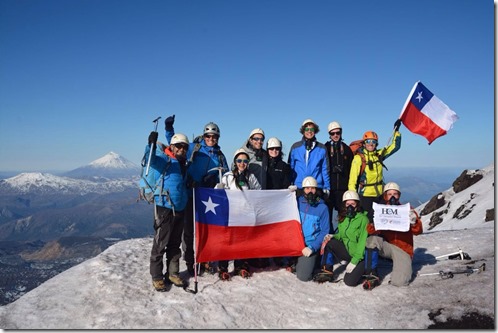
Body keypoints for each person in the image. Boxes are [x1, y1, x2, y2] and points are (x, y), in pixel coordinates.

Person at [164, 116, 229, 276]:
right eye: (208, 136)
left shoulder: (220, 156)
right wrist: (168, 128)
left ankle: (204, 259)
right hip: (189, 194)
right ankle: (190, 262)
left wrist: (216, 183)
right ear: (204, 136)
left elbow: (226, 175)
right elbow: (176, 144)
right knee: (188, 231)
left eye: (214, 137)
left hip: (208, 198)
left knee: (205, 230)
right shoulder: (195, 148)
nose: (211, 139)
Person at [144, 130, 189, 292]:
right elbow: (151, 160)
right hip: (164, 206)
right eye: (178, 146)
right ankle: (157, 277)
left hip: (180, 207)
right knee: (160, 243)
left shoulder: (183, 163)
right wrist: (150, 144)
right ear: (172, 147)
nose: (181, 149)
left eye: (184, 146)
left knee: (175, 243)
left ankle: (172, 273)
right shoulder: (165, 160)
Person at [363, 182, 423, 288]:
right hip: (388, 247)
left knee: (400, 282)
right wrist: (373, 221)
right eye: (389, 194)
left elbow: (418, 231)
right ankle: (371, 273)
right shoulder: (381, 211)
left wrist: (414, 222)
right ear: (385, 196)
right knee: (372, 240)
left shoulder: (407, 210)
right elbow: (370, 231)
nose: (392, 197)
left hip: (403, 250)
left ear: (399, 196)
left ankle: (402, 269)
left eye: (395, 194)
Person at [215, 149, 262, 280]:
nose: (242, 163)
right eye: (239, 161)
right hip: (230, 214)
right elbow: (218, 194)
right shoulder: (228, 176)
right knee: (227, 241)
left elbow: (258, 192)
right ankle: (223, 267)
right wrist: (218, 189)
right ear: (235, 162)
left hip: (245, 215)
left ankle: (241, 266)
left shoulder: (250, 177)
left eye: (245, 161)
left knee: (243, 242)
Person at [348, 120, 402, 221]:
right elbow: (352, 180)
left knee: (381, 219)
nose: (371, 144)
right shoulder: (359, 158)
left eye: (374, 141)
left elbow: (395, 147)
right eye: (368, 141)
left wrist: (396, 131)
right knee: (367, 220)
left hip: (380, 194)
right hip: (365, 195)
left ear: (376, 143)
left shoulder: (379, 155)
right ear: (364, 143)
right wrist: (352, 197)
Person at [313, 190, 369, 287]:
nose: (350, 207)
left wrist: (355, 261)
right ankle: (327, 270)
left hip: (360, 257)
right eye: (348, 204)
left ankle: (364, 271)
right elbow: (342, 235)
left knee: (349, 281)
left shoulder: (363, 219)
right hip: (348, 252)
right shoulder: (343, 218)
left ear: (357, 205)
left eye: (353, 203)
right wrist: (333, 236)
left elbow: (362, 243)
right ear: (344, 205)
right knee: (330, 243)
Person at [294, 176, 330, 282]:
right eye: (307, 188)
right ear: (303, 190)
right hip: (297, 242)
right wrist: (288, 194)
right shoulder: (296, 203)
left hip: (310, 245)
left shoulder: (322, 207)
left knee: (303, 276)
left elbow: (325, 231)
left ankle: (315, 261)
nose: (310, 191)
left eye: (313, 188)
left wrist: (312, 247)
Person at [265, 137, 293, 267]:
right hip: (265, 201)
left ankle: (278, 255)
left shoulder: (284, 166)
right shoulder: (263, 164)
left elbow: (286, 182)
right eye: (271, 149)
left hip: (279, 202)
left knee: (278, 229)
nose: (274, 151)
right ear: (267, 150)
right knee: (265, 230)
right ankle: (264, 255)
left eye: (277, 149)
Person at [288, 119, 330, 198]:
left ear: (315, 131)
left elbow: (325, 169)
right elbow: (291, 167)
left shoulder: (322, 148)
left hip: (316, 186)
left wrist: (327, 187)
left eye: (312, 129)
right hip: (299, 186)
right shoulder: (295, 147)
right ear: (303, 131)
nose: (309, 131)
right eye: (307, 129)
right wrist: (290, 183)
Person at [324, 121, 354, 232]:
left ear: (341, 133)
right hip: (329, 189)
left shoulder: (347, 150)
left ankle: (343, 235)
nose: (335, 135)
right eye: (333, 133)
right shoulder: (325, 148)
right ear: (329, 134)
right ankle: (329, 237)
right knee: (327, 216)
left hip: (343, 189)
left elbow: (352, 169)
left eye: (337, 132)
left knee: (343, 216)